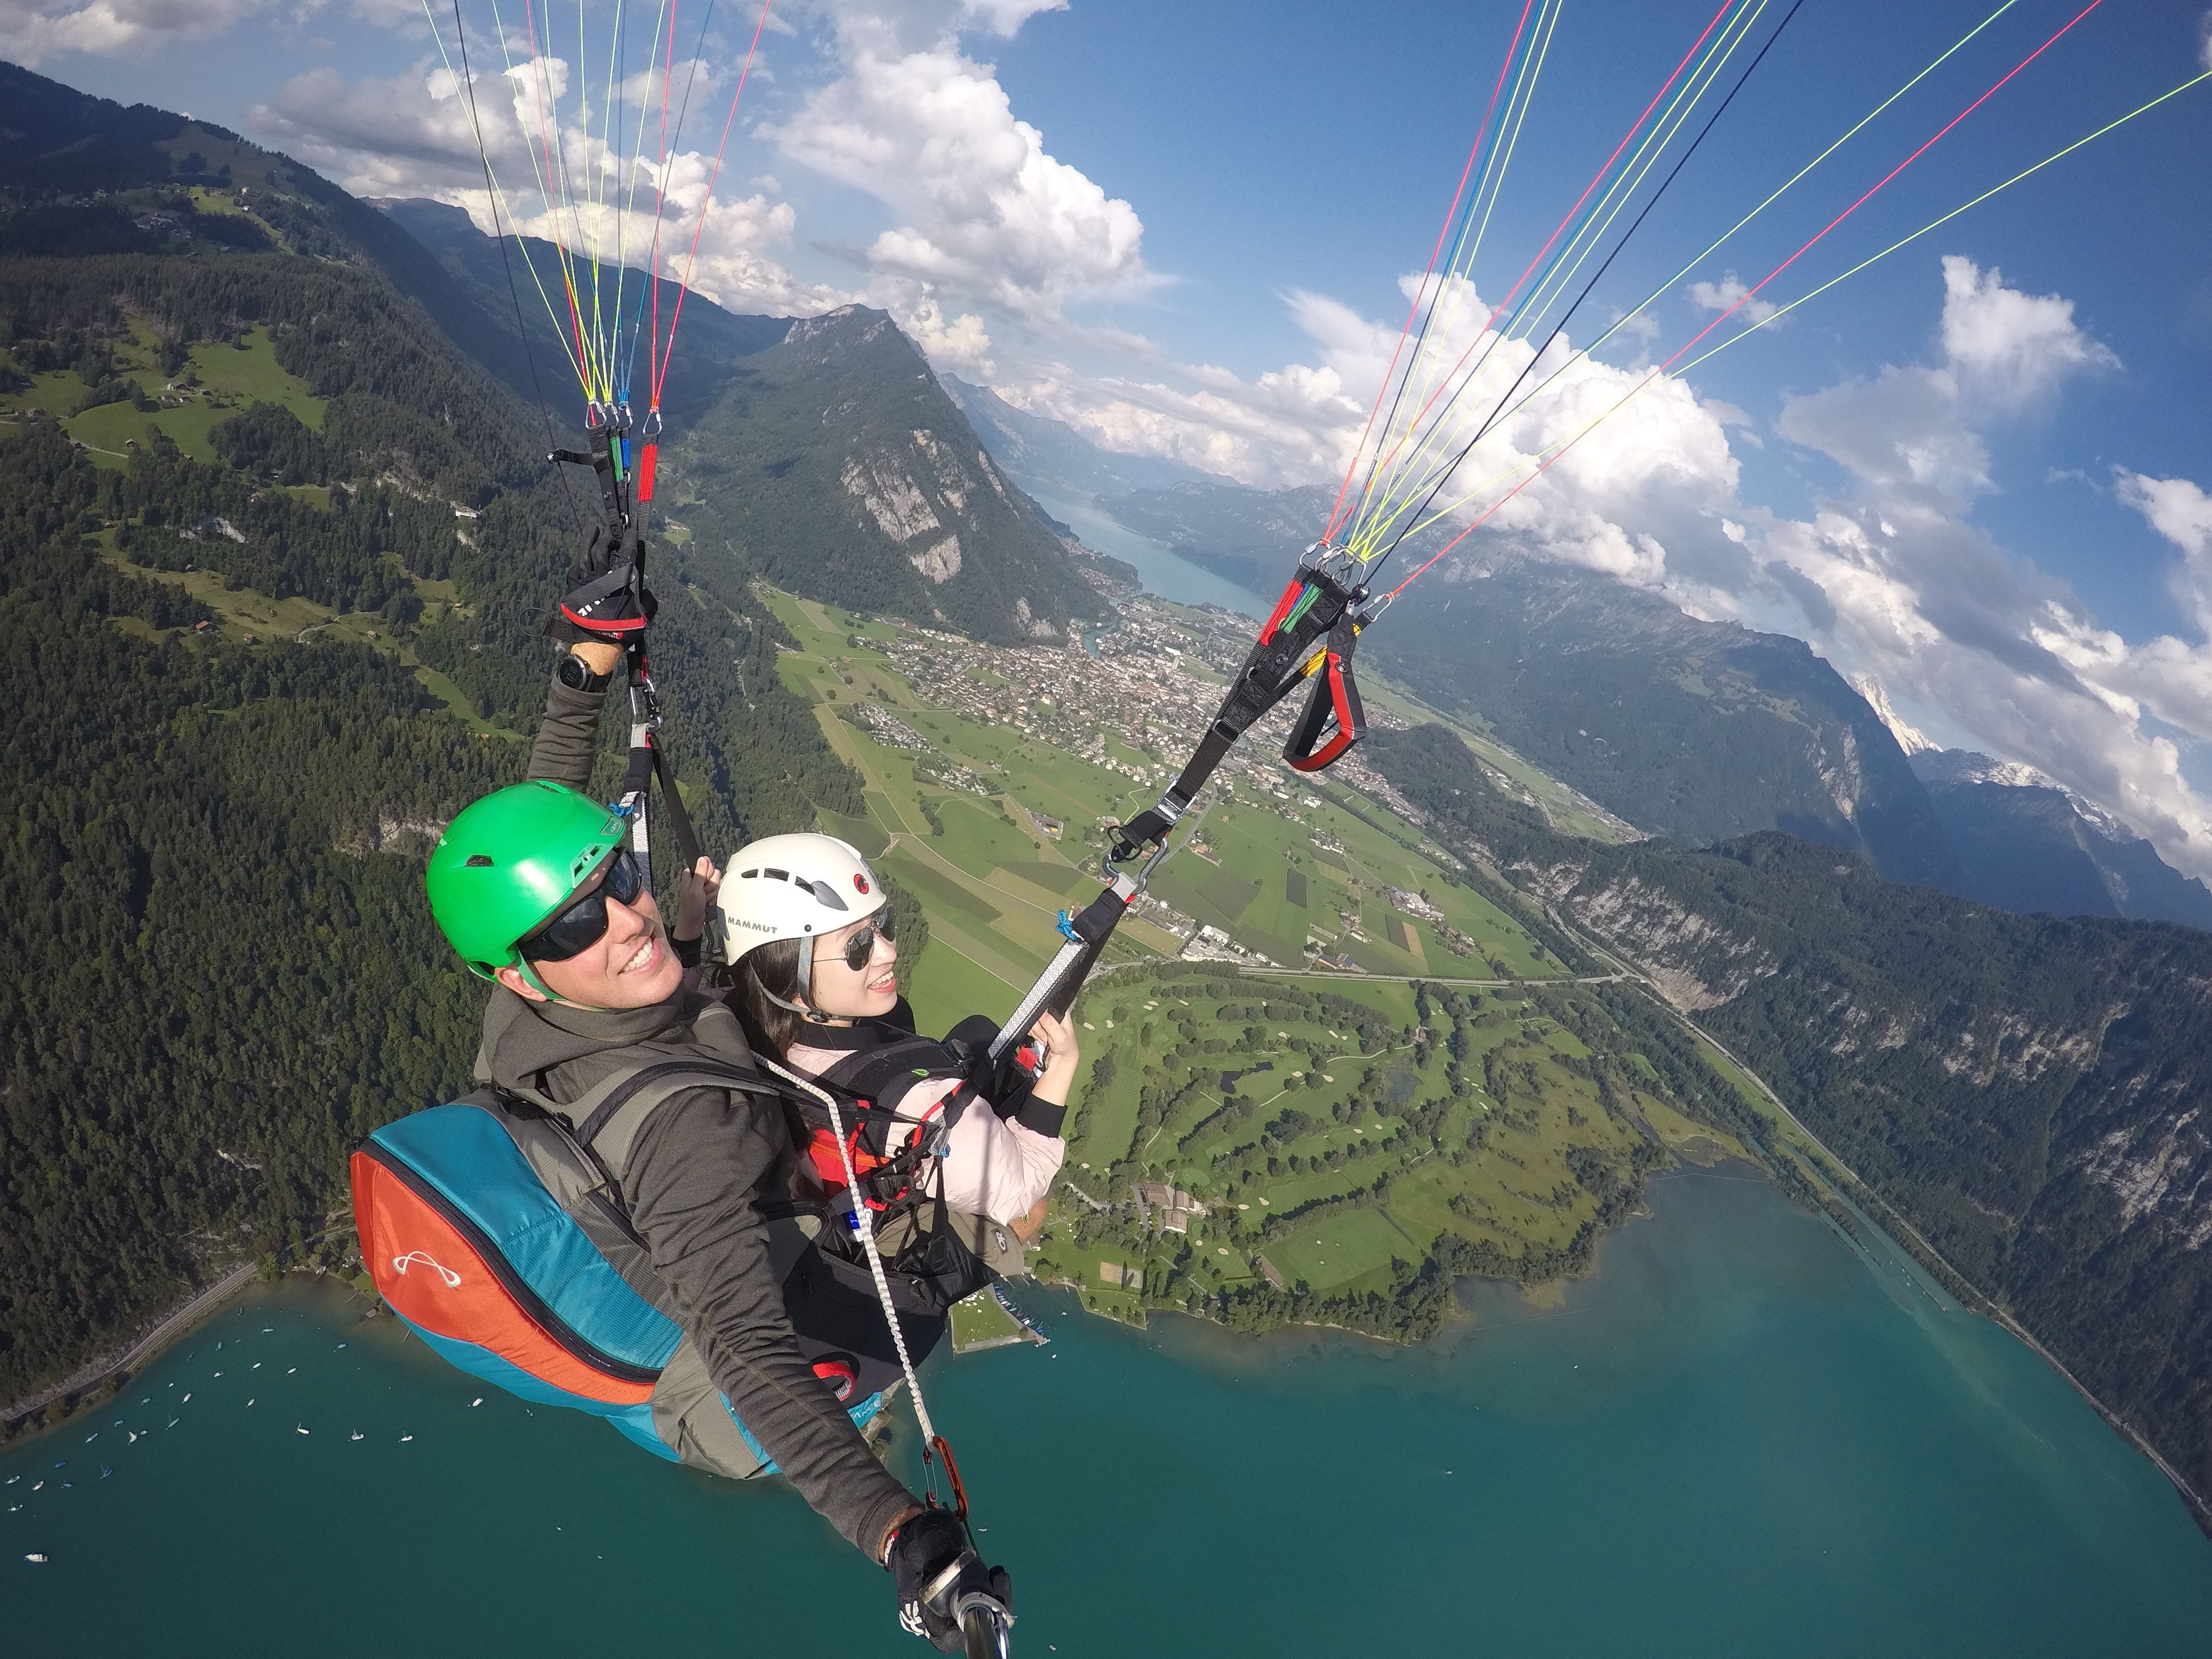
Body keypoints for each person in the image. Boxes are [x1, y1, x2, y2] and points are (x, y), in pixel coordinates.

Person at [424, 533, 1002, 1650]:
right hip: (766, 1321)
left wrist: (584, 663)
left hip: (671, 1224)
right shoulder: (680, 1131)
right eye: (583, 922)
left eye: (621, 878)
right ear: (519, 967)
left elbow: (546, 815)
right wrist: (900, 1537)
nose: (629, 917)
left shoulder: (525, 997)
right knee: (953, 1222)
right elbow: (748, 1348)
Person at [717, 832, 1077, 1283]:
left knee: (965, 1032)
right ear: (786, 969)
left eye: (881, 925)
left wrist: (693, 930)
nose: (889, 951)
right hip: (884, 1203)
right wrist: (1063, 1064)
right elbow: (1023, 1189)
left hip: (818, 1174)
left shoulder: (727, 1018)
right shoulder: (922, 1105)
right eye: (857, 947)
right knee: (1033, 1212)